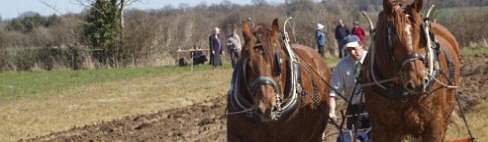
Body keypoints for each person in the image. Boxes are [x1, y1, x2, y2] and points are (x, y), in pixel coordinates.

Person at [328, 35, 370, 142]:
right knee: (352, 139)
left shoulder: (373, 59)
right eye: (348, 50)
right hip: (354, 110)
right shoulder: (342, 66)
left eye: (354, 49)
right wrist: (332, 111)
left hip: (374, 107)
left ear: (361, 45)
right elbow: (333, 92)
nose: (352, 53)